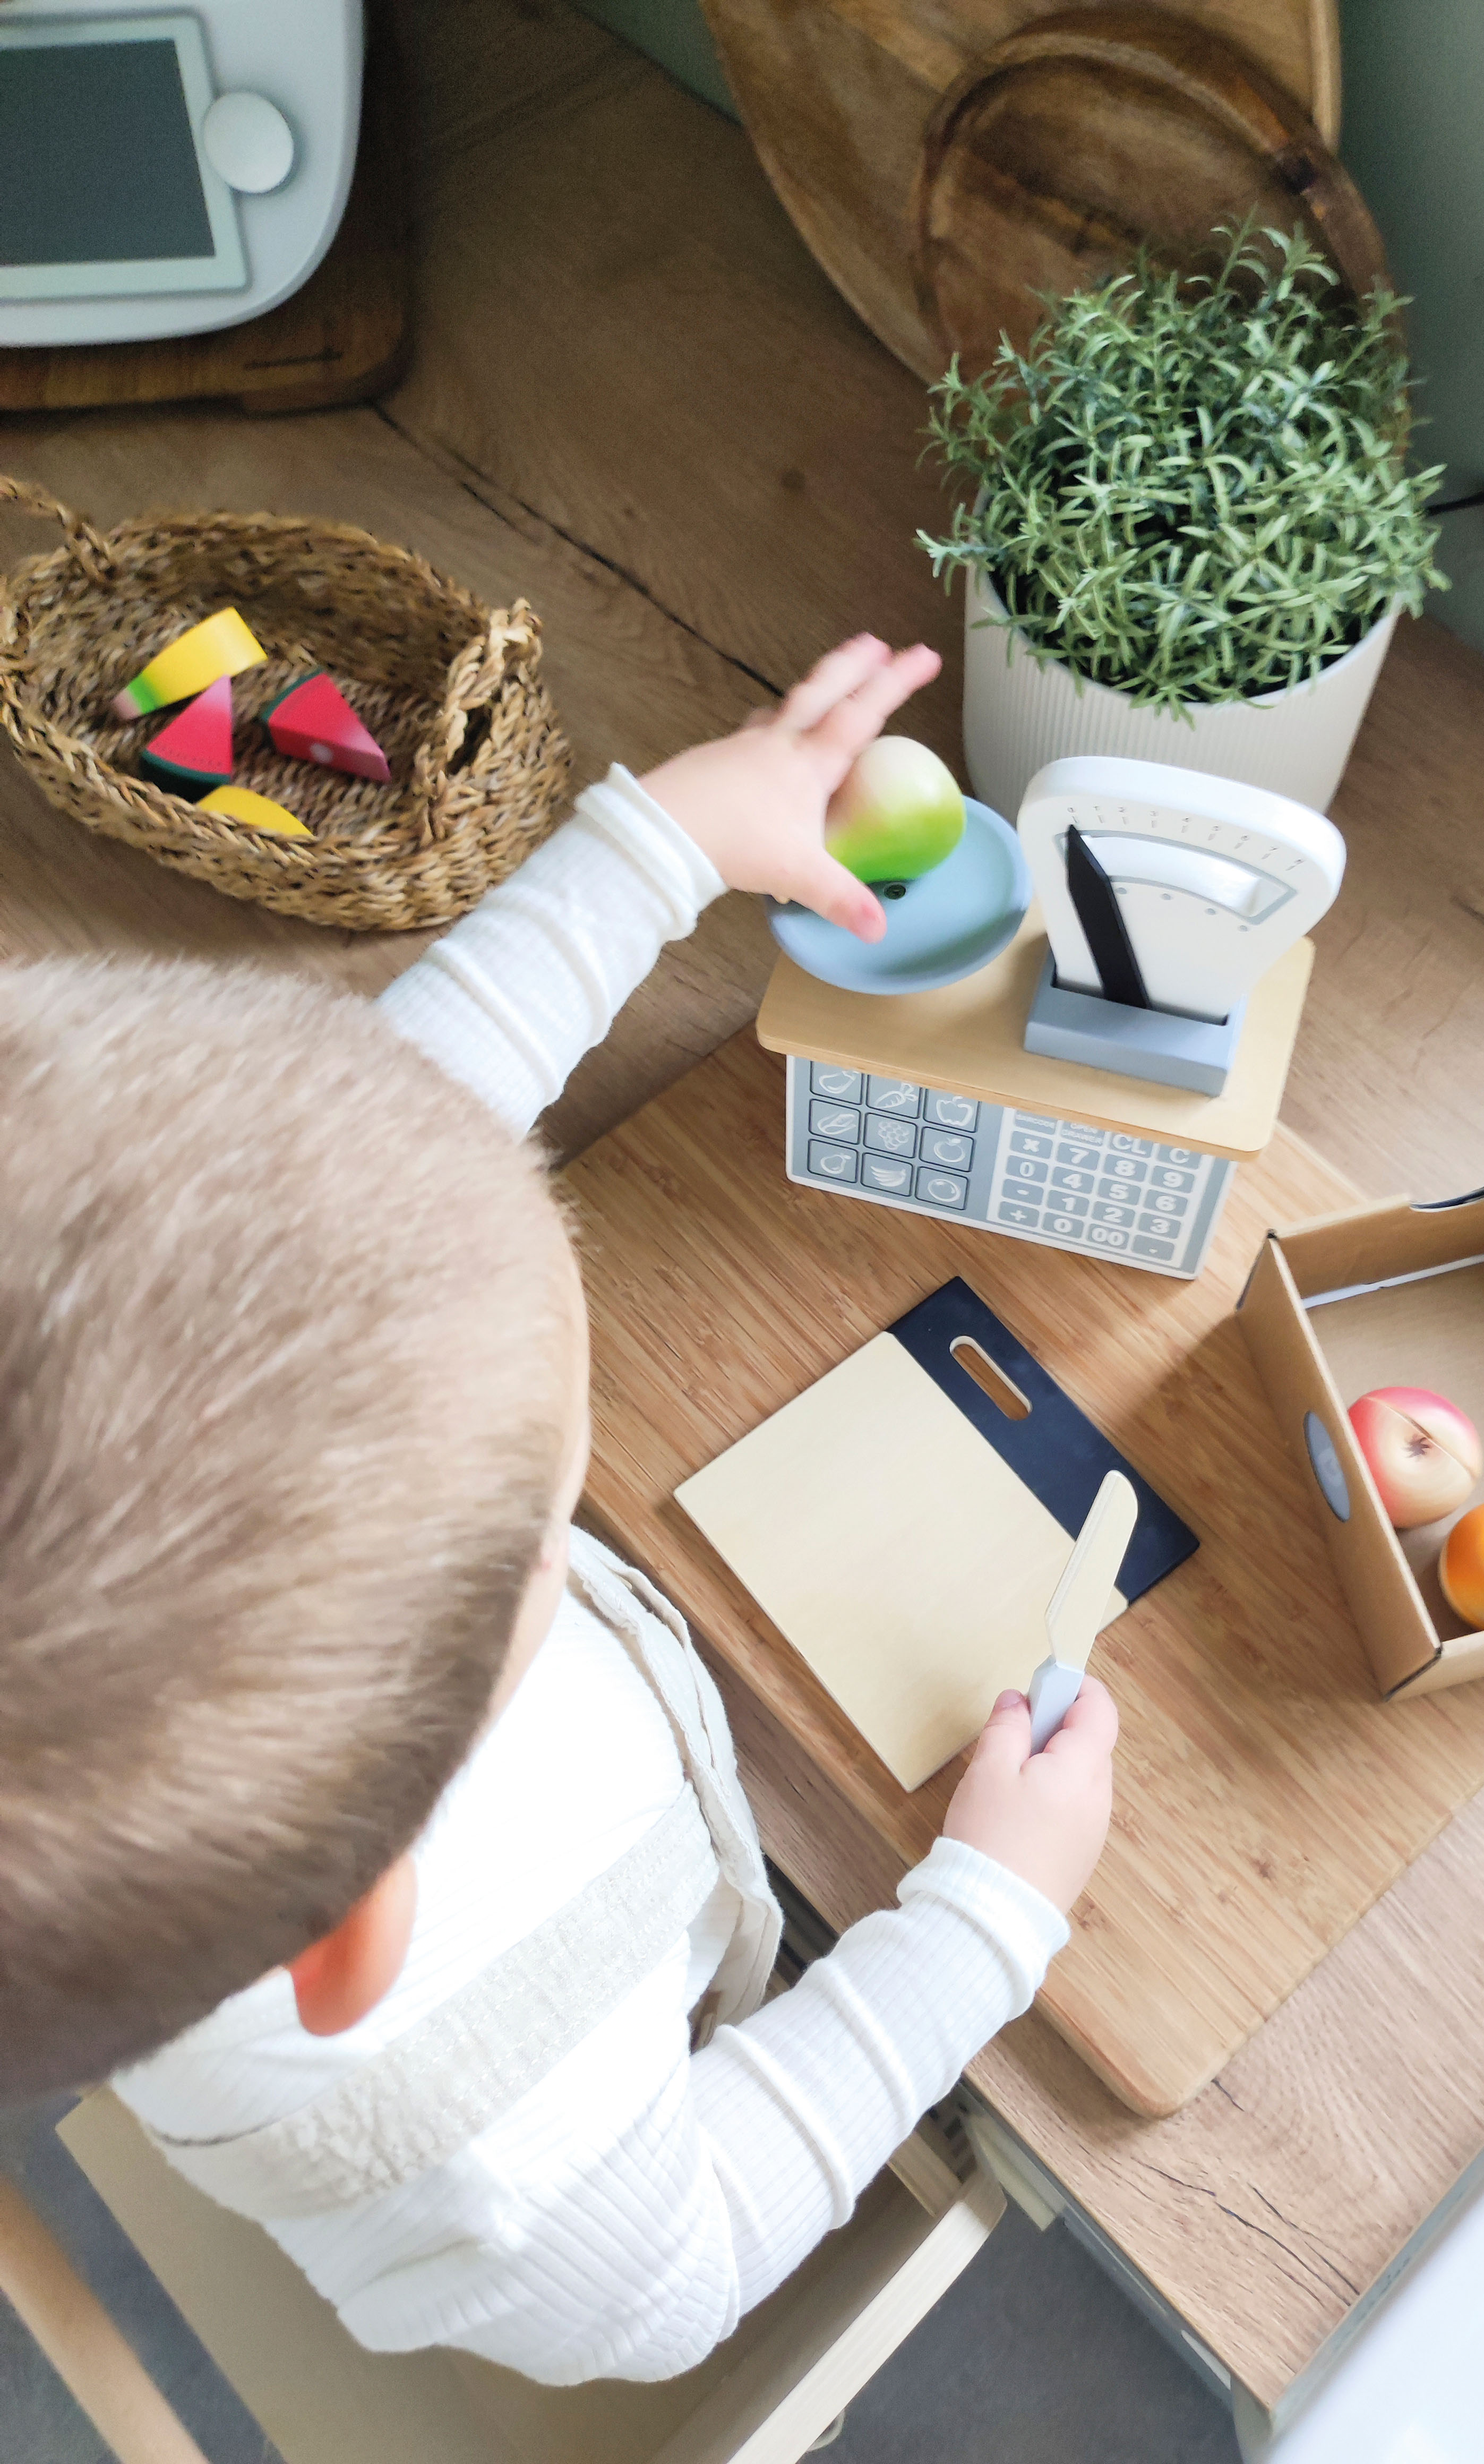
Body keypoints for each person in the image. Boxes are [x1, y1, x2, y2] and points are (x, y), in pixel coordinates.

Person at [0, 635, 1118, 2386]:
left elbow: (369, 1152)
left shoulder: (212, 1541)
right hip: (639, 1967)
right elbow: (702, 2255)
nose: (550, 1534)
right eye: (538, 1534)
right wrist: (986, 1916)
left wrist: (666, 843)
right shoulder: (497, 2171)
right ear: (359, 1935)